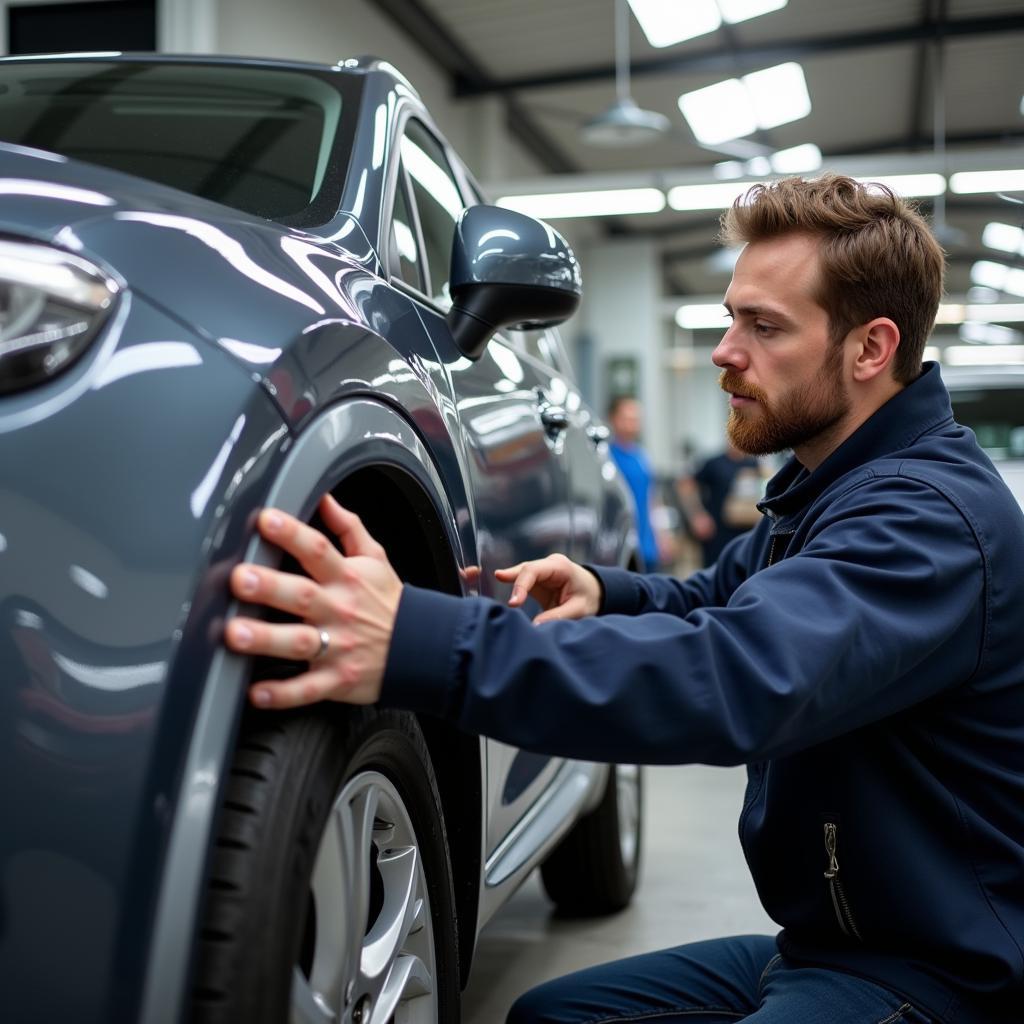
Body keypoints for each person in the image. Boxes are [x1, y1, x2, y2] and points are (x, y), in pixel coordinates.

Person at [223, 174, 1024, 1023]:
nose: (724, 350)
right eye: (730, 316)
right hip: (832, 944)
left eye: (763, 326)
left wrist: (416, 641)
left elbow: (733, 676)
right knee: (549, 1016)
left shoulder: (926, 522)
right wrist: (609, 592)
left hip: (941, 977)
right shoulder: (830, 489)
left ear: (870, 349)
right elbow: (720, 597)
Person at [678, 439, 769, 566]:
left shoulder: (753, 464)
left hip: (745, 531)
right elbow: (686, 486)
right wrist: (697, 516)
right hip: (716, 532)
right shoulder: (714, 463)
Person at [606, 394, 663, 571]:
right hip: (620, 548)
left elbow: (651, 498)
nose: (631, 424)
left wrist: (662, 536)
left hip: (647, 546)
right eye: (626, 419)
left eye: (635, 419)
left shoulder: (642, 456)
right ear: (613, 419)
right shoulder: (606, 457)